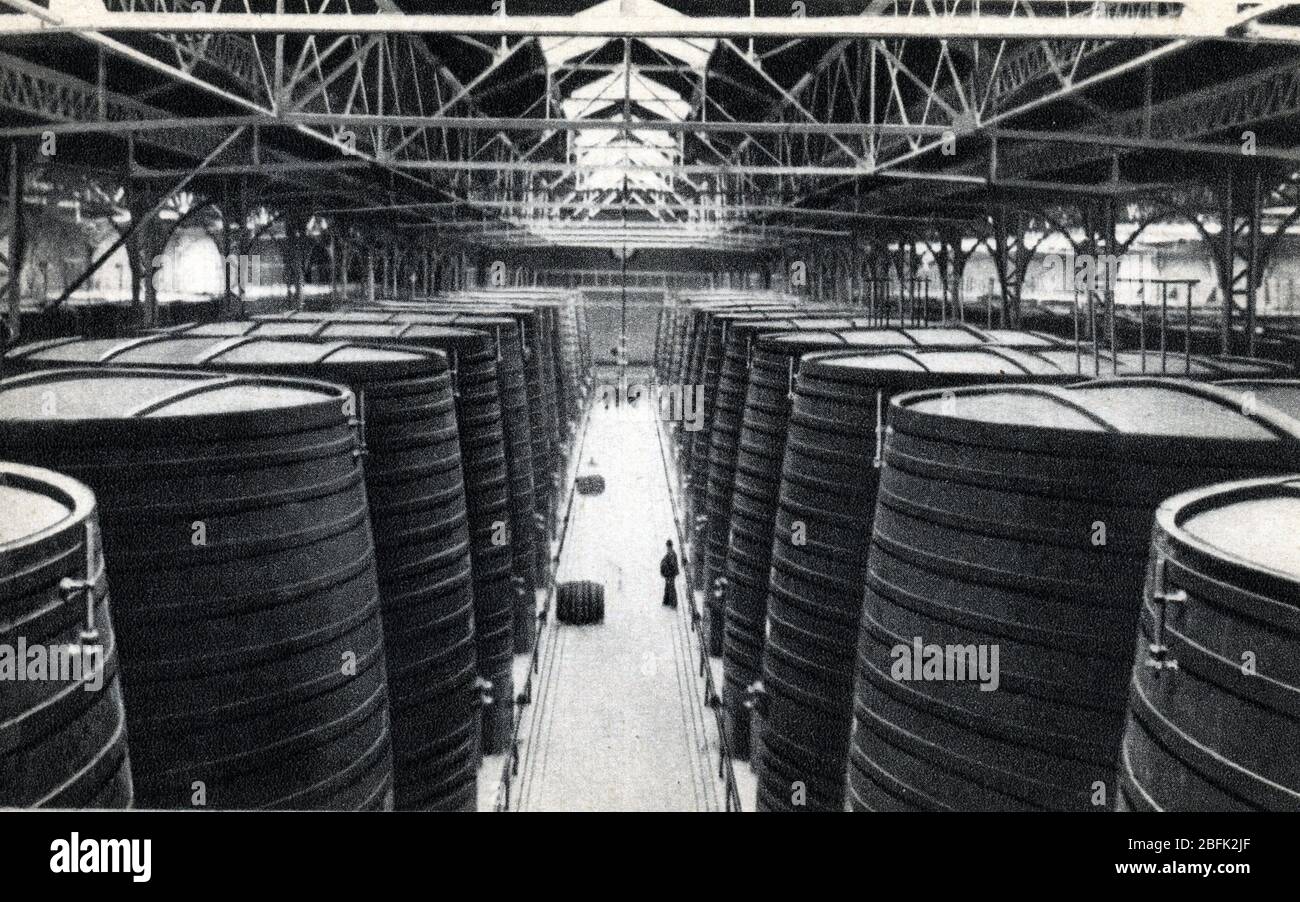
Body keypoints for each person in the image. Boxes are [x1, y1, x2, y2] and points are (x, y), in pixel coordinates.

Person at [659, 539, 680, 608]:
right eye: (667, 546)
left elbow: (672, 564)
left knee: (671, 588)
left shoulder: (672, 554)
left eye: (668, 546)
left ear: (670, 546)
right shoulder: (669, 553)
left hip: (670, 574)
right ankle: (667, 602)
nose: (668, 547)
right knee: (668, 587)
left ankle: (673, 603)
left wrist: (668, 570)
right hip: (669, 574)